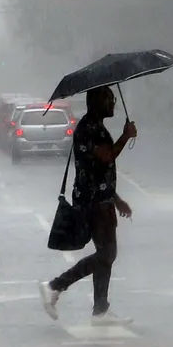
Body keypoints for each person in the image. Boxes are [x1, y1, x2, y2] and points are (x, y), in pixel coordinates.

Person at [40, 86, 137, 325]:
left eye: (114, 99)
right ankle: (55, 286)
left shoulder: (95, 126)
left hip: (100, 199)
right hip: (92, 202)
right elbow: (106, 157)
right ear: (95, 102)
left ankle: (100, 310)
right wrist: (126, 136)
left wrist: (116, 199)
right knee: (107, 253)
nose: (113, 103)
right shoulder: (88, 129)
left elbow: (99, 171)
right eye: (109, 99)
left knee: (107, 253)